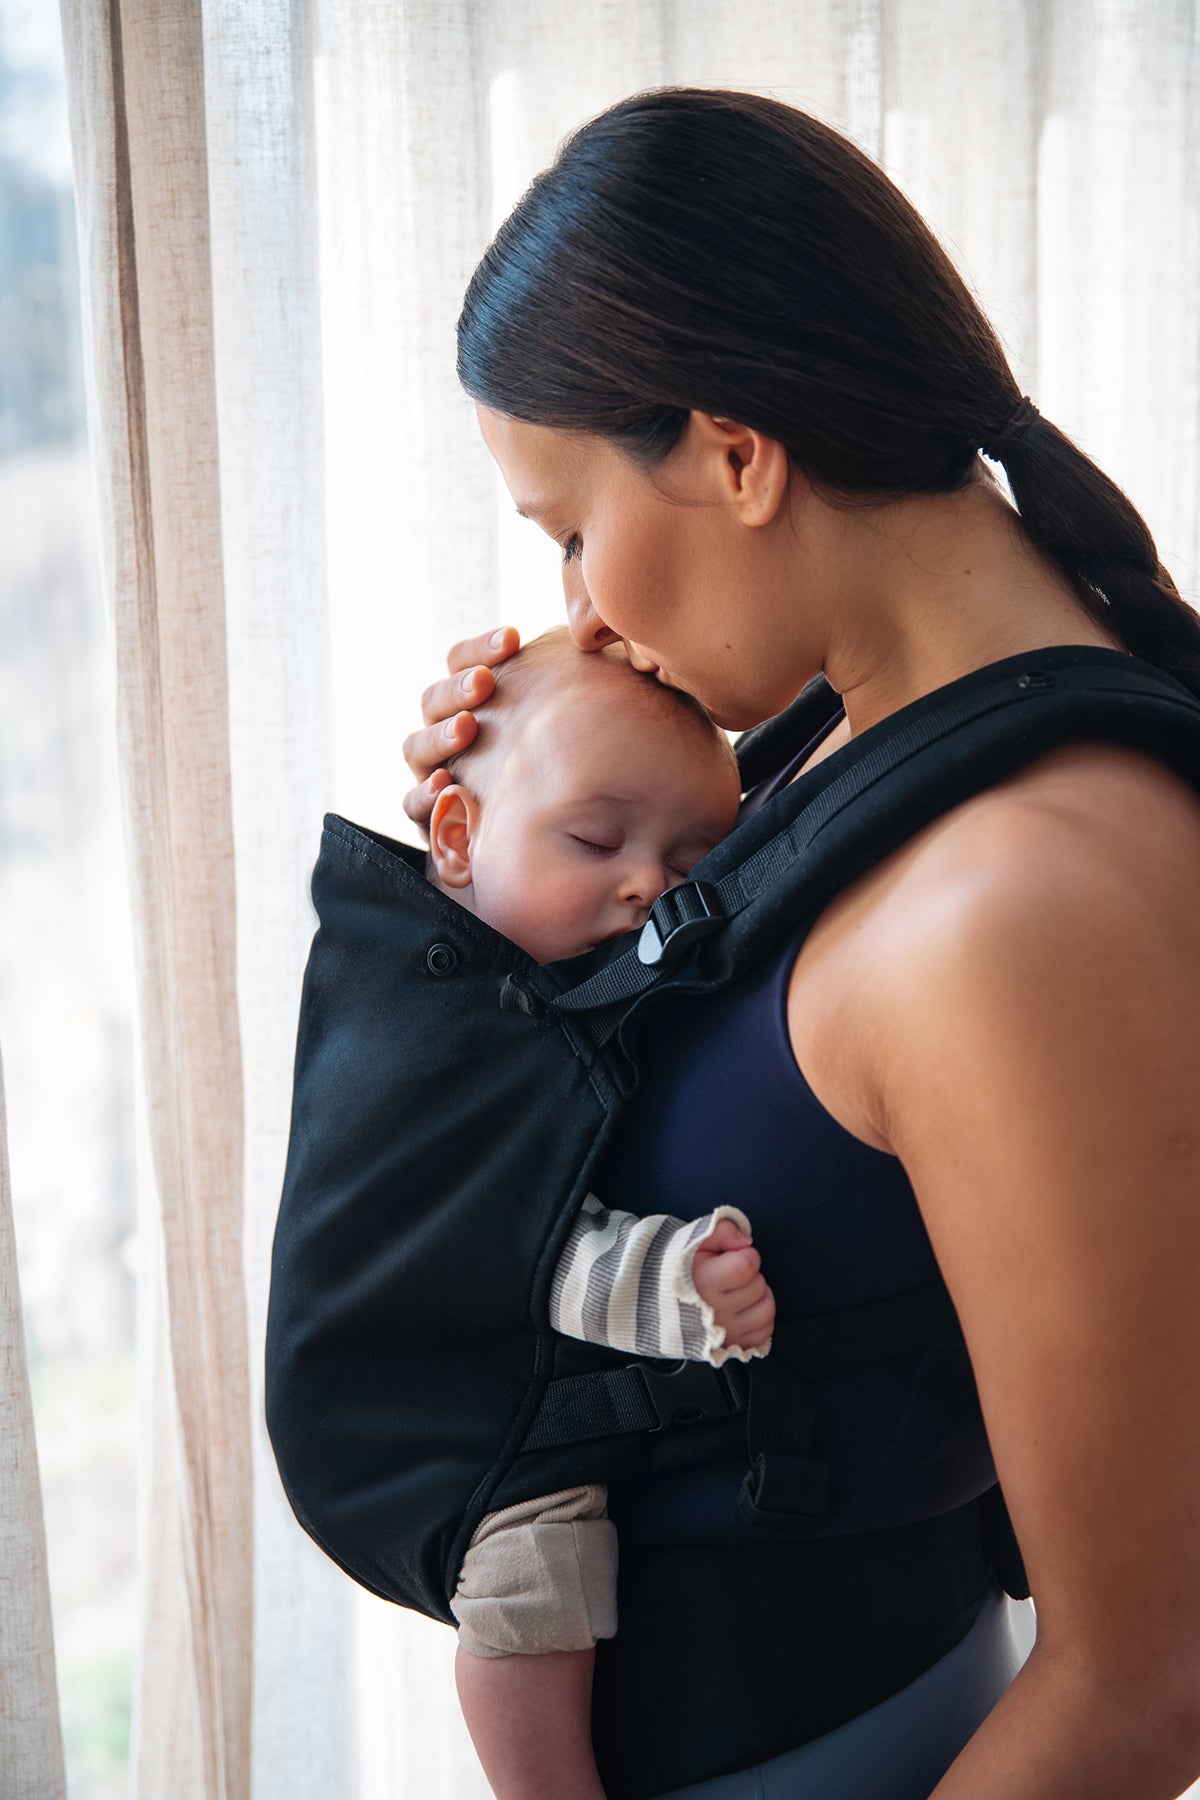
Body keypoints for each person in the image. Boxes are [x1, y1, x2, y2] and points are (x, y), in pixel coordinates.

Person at [405, 89, 1200, 1800]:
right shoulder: (850, 745)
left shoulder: (1018, 902)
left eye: (565, 528)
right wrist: (507, 843)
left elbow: (1149, 1682)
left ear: (735, 453)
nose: (583, 608)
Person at [426, 624, 774, 1800]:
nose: (648, 886)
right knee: (533, 1569)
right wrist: (680, 1286)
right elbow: (504, 1234)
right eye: (594, 839)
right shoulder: (449, 1018)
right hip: (459, 1400)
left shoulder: (554, 972)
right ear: (456, 839)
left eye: (693, 858)